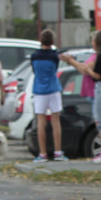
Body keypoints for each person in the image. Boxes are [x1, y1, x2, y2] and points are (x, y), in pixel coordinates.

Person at [62, 30, 101, 163]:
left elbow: (96, 75)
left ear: (99, 42)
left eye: (93, 40)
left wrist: (88, 70)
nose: (92, 43)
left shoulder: (100, 56)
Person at [30, 29, 69, 163]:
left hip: (39, 90)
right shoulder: (54, 56)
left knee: (41, 121)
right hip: (53, 89)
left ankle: (42, 153)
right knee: (55, 120)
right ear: (52, 41)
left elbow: (34, 70)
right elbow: (55, 69)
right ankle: (58, 152)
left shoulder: (34, 56)